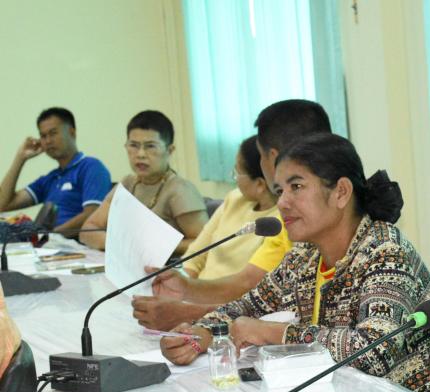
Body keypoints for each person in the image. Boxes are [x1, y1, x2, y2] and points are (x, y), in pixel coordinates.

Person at [160, 133, 430, 392]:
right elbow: (246, 307)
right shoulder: (305, 256)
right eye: (279, 190)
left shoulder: (386, 251)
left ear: (341, 192)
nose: (283, 203)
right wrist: (203, 333)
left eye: (296, 187)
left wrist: (275, 333)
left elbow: (375, 351)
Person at [146, 99, 330, 308]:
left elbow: (259, 297)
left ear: (273, 158)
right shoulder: (287, 213)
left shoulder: (302, 219)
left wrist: (188, 309)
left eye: (261, 156)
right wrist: (185, 289)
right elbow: (251, 286)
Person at [130, 136, 280, 331]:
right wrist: (176, 291)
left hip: (227, 312)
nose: (234, 178)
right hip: (190, 299)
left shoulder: (278, 222)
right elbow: (196, 255)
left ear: (260, 184)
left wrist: (187, 303)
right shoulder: (234, 199)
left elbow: (248, 286)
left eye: (237, 173)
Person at [80, 111, 207, 255]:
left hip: (166, 266)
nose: (140, 154)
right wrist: (120, 243)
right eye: (133, 145)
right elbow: (88, 230)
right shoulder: (128, 184)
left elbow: (207, 244)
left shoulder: (180, 190)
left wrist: (156, 246)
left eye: (150, 146)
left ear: (170, 150)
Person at [0, 107, 111, 235]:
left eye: (53, 133)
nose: (48, 141)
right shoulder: (49, 179)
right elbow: (3, 204)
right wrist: (20, 158)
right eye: (43, 136)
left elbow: (93, 215)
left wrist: (51, 236)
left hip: (73, 244)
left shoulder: (92, 167)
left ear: (72, 132)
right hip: (48, 243)